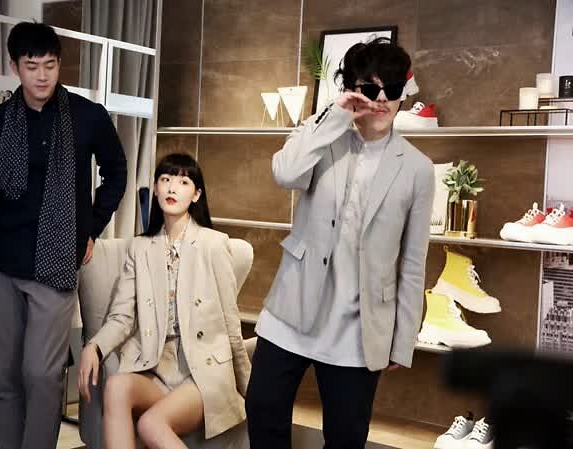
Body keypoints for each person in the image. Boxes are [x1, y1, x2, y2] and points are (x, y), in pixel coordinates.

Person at [245, 37, 435, 449]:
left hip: (357, 328)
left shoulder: (418, 169)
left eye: (392, 90)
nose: (381, 100)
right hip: (291, 311)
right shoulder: (322, 138)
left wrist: (402, 338)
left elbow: (413, 260)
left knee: (346, 438)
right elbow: (285, 172)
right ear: (351, 90)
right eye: (369, 89)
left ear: (403, 94)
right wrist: (335, 115)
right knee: (262, 412)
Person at [0, 22, 127, 449]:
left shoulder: (87, 116)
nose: (42, 76)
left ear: (60, 65)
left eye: (50, 65)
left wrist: (90, 227)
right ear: (14, 67)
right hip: (3, 265)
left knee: (41, 374)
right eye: (31, 66)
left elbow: (116, 173)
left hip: (55, 264)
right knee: (6, 375)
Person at [77, 153, 251, 449]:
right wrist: (94, 346)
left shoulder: (214, 244)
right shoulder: (140, 248)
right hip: (157, 368)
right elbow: (122, 317)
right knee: (116, 386)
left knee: (150, 424)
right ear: (156, 188)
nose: (172, 187)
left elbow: (230, 323)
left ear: (196, 195)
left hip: (202, 373)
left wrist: (250, 389)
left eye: (183, 182)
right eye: (165, 179)